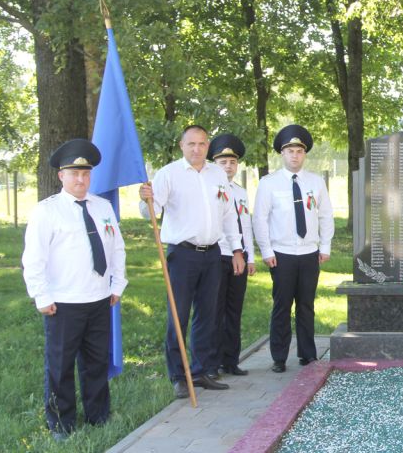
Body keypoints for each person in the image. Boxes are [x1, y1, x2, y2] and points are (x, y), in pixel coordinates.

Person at [22, 139, 127, 441]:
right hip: (63, 302)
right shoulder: (47, 211)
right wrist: (42, 296)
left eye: (85, 173)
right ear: (61, 176)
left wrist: (116, 284)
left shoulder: (103, 207)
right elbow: (34, 258)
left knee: (96, 362)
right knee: (61, 365)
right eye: (74, 174)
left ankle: (98, 415)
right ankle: (61, 422)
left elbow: (116, 248)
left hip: (98, 298)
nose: (81, 180)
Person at [139, 125, 245, 399]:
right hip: (182, 254)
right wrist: (146, 200)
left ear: (207, 145)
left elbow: (228, 216)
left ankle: (202, 370)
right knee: (179, 315)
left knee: (208, 315)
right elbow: (151, 210)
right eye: (191, 144)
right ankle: (179, 375)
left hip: (212, 253)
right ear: (181, 145)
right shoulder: (168, 174)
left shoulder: (218, 174)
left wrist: (236, 249)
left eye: (201, 144)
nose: (196, 149)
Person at [253, 124, 334, 372]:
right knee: (282, 305)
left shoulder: (316, 181)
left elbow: (325, 215)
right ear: (282, 154)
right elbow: (260, 219)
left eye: (299, 151)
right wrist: (266, 251)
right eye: (290, 151)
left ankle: (307, 354)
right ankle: (279, 357)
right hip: (282, 254)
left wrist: (325, 245)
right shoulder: (269, 183)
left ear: (305, 153)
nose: (295, 155)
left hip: (309, 253)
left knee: (306, 304)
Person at [207, 134, 256, 376]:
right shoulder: (208, 190)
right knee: (214, 311)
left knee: (234, 310)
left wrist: (251, 257)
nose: (228, 166)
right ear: (213, 163)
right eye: (222, 162)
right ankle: (213, 362)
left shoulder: (240, 192)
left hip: (240, 256)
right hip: (217, 254)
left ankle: (231, 360)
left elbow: (245, 224)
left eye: (232, 162)